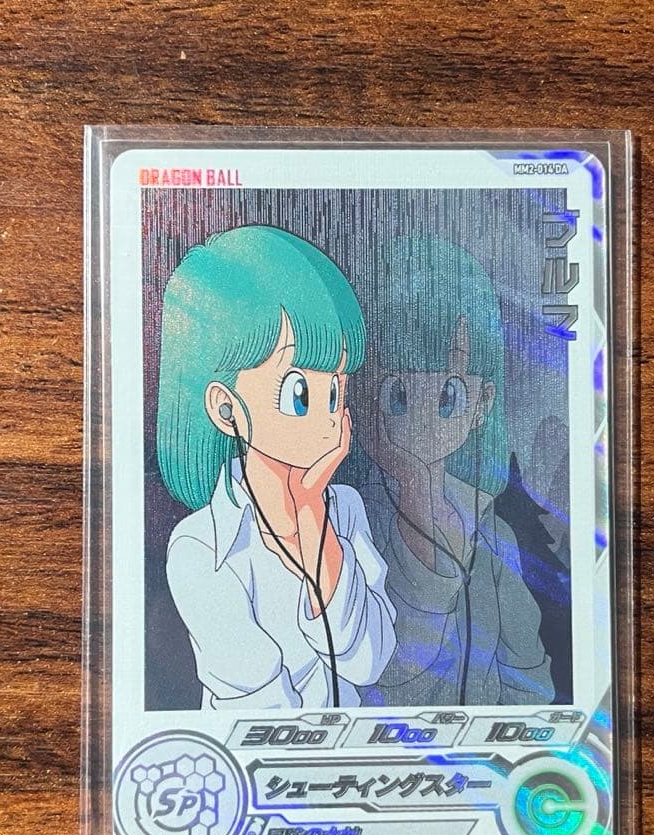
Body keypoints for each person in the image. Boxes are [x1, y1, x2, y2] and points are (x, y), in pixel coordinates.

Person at [156, 225, 396, 710]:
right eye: (299, 394)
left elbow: (369, 661)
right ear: (226, 408)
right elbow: (257, 707)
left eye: (336, 391)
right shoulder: (201, 548)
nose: (329, 417)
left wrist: (311, 512)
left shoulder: (343, 510)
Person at [349, 233, 554, 707]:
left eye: (448, 396)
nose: (423, 419)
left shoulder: (494, 534)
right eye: (398, 393)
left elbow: (529, 677)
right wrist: (414, 486)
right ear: (366, 391)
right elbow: (397, 676)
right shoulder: (356, 523)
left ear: (482, 403)